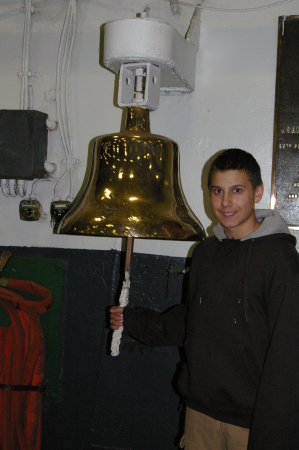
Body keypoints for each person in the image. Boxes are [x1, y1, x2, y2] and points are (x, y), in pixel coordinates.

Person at [110, 148, 299, 450]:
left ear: (258, 191)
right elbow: (192, 321)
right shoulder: (206, 253)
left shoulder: (281, 260)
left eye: (237, 190)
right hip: (200, 413)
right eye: (217, 191)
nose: (225, 202)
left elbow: (288, 356)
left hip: (253, 423)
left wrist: (273, 433)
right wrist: (134, 321)